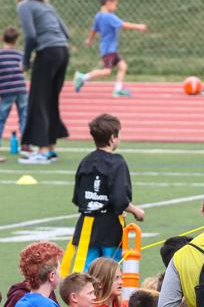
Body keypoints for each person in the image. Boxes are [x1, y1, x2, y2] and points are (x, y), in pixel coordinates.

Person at [61, 113, 145, 274]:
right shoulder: (117, 162)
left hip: (87, 227)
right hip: (110, 228)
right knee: (112, 271)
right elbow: (120, 199)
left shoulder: (85, 161)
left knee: (86, 272)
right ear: (113, 138)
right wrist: (135, 211)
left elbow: (78, 197)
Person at [16, 0, 70, 164]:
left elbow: (30, 35)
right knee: (50, 100)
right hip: (63, 51)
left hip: (47, 53)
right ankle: (51, 148)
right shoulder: (47, 6)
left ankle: (42, 150)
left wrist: (25, 61)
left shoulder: (24, 5)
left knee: (38, 101)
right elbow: (66, 32)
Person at [75, 0, 147, 97]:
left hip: (110, 49)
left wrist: (89, 39)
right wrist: (139, 26)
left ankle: (117, 90)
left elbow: (94, 29)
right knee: (107, 71)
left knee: (122, 66)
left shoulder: (98, 16)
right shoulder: (109, 17)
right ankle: (82, 77)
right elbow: (124, 25)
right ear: (108, 3)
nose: (116, 8)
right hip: (109, 50)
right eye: (115, 5)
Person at [0, 26, 28, 154]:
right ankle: (25, 143)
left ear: (2, 38)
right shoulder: (20, 54)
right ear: (16, 41)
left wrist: (1, 82)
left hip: (6, 90)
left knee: (1, 117)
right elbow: (24, 70)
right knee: (24, 116)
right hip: (21, 88)